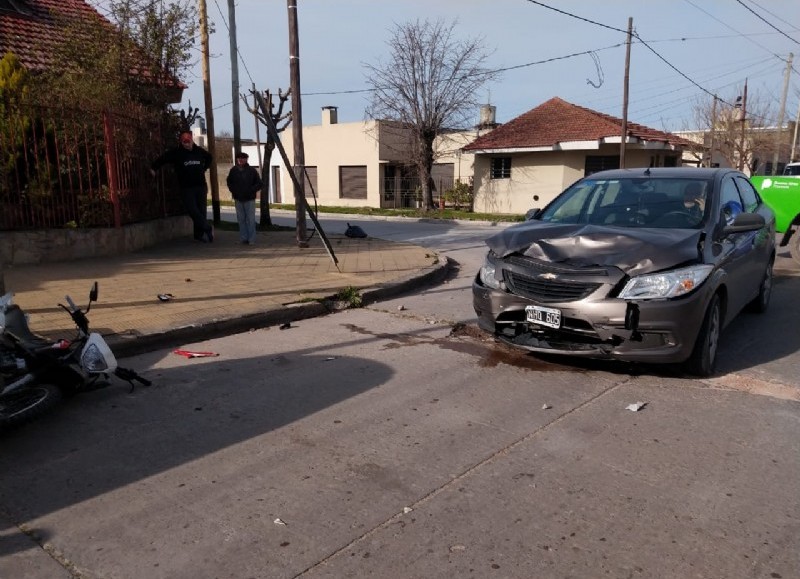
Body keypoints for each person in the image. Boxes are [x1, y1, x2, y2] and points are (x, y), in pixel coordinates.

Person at [150, 130, 214, 243]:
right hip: (186, 187)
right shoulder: (177, 153)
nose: (186, 144)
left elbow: (209, 157)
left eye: (188, 141)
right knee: (192, 210)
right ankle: (206, 227)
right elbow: (163, 159)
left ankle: (199, 235)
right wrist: (154, 168)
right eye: (184, 142)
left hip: (200, 186)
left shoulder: (199, 151)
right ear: (181, 142)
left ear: (192, 141)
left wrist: (204, 168)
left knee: (201, 210)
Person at [226, 152, 262, 245]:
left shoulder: (252, 171)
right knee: (241, 220)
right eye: (239, 158)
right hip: (238, 198)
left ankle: (252, 239)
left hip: (249, 199)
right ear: (237, 160)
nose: (240, 160)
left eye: (243, 158)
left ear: (246, 159)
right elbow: (229, 182)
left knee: (250, 219)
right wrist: (233, 191)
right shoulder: (233, 170)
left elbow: (259, 183)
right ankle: (243, 238)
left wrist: (251, 190)